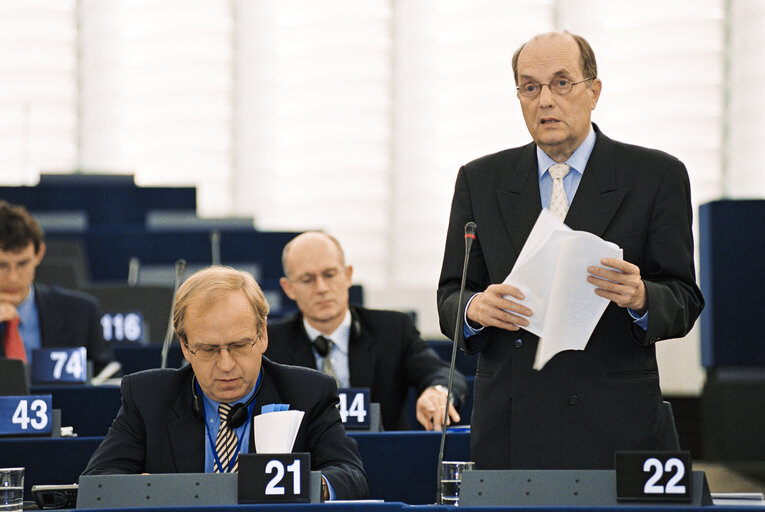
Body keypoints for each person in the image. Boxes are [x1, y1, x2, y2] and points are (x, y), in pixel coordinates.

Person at [437, 31, 704, 470]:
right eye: (530, 86)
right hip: (511, 426)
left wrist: (641, 298)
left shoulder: (655, 176)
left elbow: (684, 299)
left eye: (561, 83)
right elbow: (450, 296)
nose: (545, 100)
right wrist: (473, 310)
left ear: (593, 91)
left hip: (616, 423)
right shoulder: (480, 180)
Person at [82, 266, 369, 501]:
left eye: (240, 346)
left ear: (262, 336)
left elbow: (350, 477)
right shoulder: (148, 397)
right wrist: (145, 490)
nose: (226, 365)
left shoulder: (308, 392)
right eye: (208, 350)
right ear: (184, 347)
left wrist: (303, 484)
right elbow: (99, 482)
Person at [266, 231, 468, 431]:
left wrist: (437, 392)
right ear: (288, 288)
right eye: (307, 279)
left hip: (383, 457)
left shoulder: (393, 330)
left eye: (329, 274)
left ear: (348, 275)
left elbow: (440, 372)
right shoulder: (271, 343)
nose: (321, 288)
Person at [0, 200, 113, 373]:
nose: (13, 277)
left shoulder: (81, 314)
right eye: (1, 266)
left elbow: (105, 387)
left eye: (22, 264)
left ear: (39, 254)